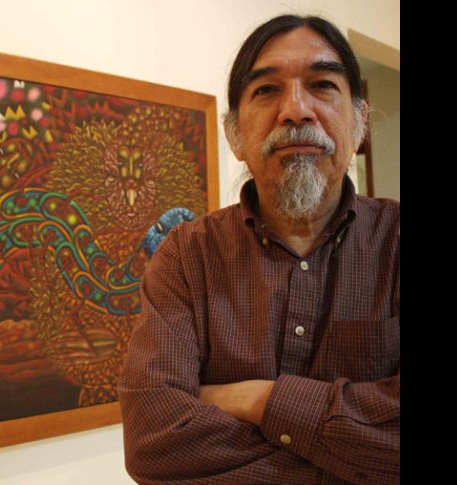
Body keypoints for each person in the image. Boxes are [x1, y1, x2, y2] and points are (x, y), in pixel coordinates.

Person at [118, 14, 399, 485]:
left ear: (360, 122)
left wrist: (260, 400)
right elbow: (154, 443)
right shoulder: (187, 256)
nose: (296, 110)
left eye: (322, 85)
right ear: (235, 135)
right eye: (267, 90)